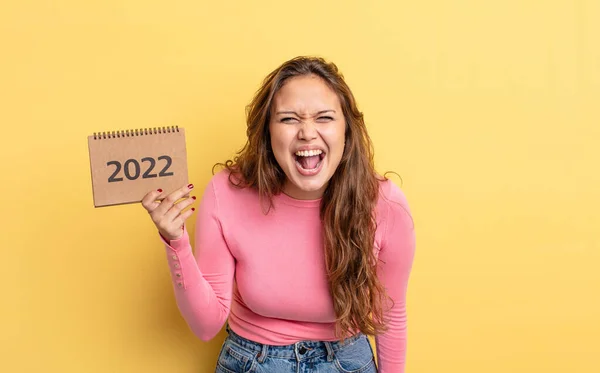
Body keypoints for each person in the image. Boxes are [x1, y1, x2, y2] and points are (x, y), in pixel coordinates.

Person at [141, 56, 416, 373]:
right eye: (288, 120)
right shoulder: (226, 193)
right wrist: (175, 241)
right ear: (268, 134)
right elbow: (206, 325)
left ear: (347, 131)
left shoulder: (385, 204)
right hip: (250, 362)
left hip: (346, 361)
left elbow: (390, 316)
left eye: (324, 117)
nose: (307, 133)